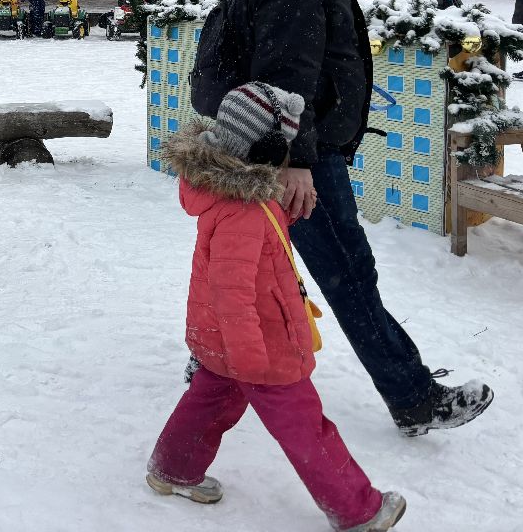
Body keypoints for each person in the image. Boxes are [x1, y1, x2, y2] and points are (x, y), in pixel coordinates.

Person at [199, 0, 493, 436]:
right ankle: (413, 397)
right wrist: (298, 161)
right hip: (299, 157)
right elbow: (287, 76)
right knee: (348, 275)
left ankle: (212, 362)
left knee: (255, 268)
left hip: (283, 149)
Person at [148, 83, 406, 532]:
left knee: (209, 402)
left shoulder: (239, 193)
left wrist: (283, 216)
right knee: (305, 426)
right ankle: (358, 509)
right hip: (259, 344)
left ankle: (173, 468)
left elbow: (251, 249)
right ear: (263, 149)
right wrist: (250, 359)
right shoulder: (242, 211)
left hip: (228, 338)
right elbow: (233, 292)